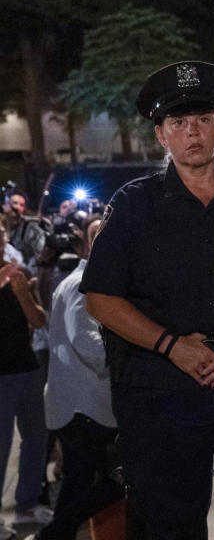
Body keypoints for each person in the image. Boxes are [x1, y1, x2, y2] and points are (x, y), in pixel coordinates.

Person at [80, 61, 214, 540]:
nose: (192, 132)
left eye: (202, 119)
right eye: (178, 122)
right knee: (166, 526)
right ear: (161, 135)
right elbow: (100, 297)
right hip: (161, 398)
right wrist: (173, 345)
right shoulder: (135, 205)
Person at [36, 214, 122, 540]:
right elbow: (90, 346)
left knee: (78, 484)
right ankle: (54, 533)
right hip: (84, 410)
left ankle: (56, 534)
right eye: (98, 234)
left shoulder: (83, 282)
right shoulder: (83, 286)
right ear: (86, 243)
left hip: (79, 408)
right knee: (119, 481)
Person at [0, 221, 48, 539]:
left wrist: (23, 294)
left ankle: (26, 505)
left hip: (26, 368)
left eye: (1, 236)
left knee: (36, 437)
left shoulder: (15, 274)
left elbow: (39, 320)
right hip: (1, 376)